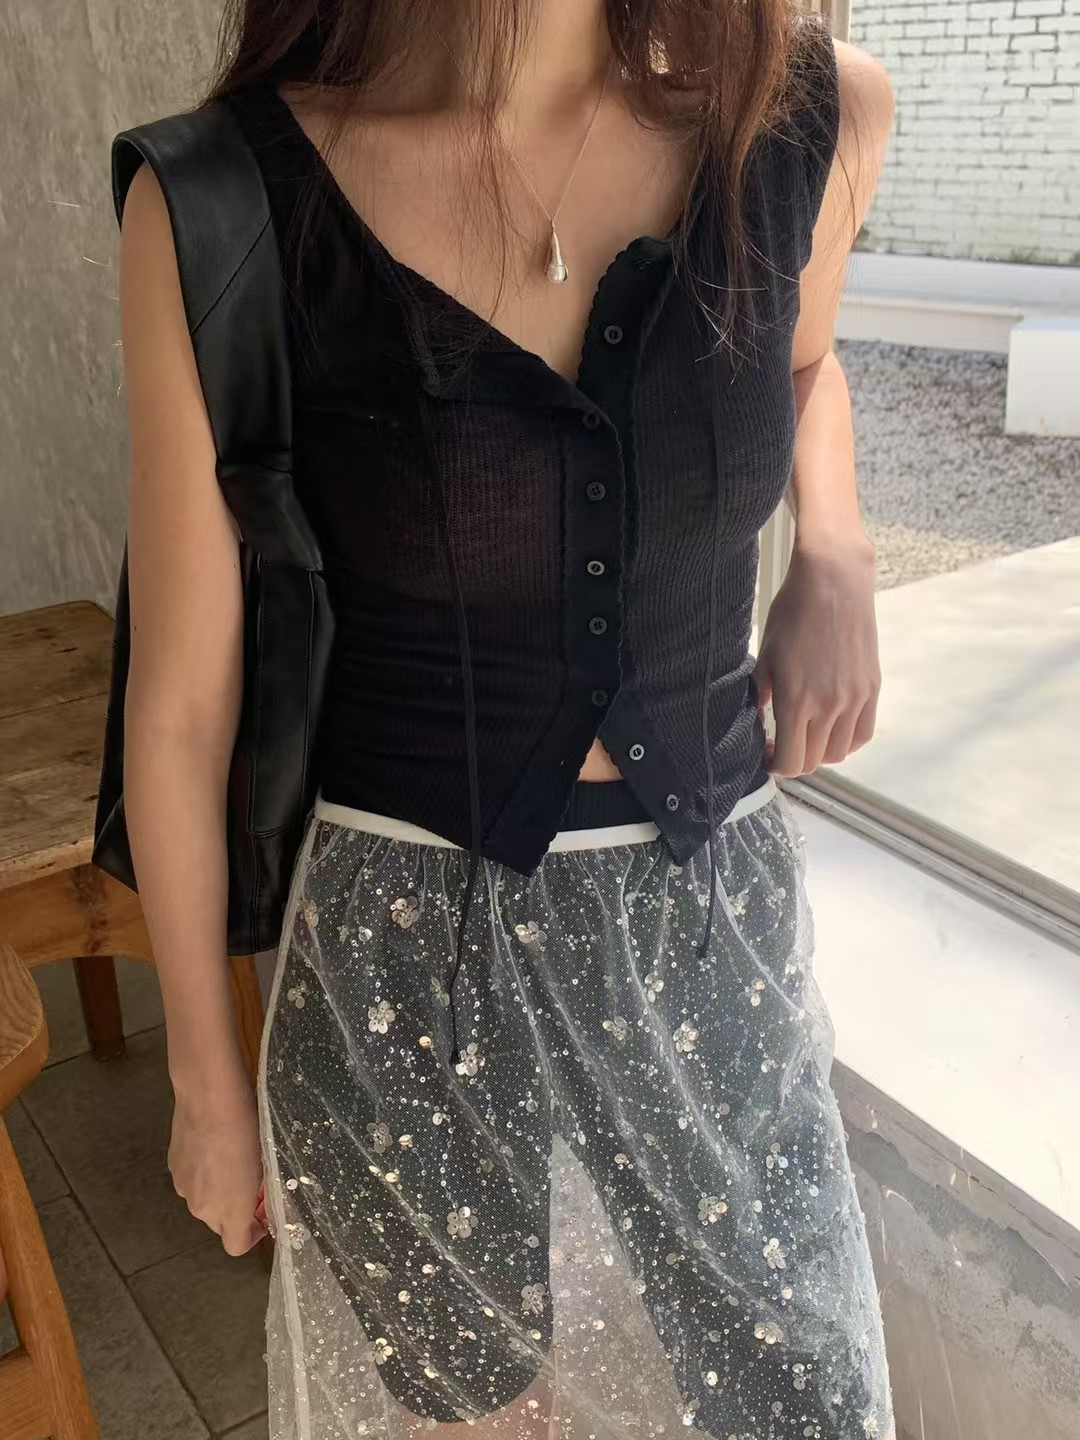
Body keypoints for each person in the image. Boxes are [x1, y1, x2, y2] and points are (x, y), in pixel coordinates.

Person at [118, 1, 894, 1436]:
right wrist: (204, 1083)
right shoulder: (221, 198)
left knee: (803, 1394)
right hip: (402, 960)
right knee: (481, 1412)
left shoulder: (803, 118)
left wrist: (834, 550)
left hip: (707, 930)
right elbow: (179, 705)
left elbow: (799, 358)